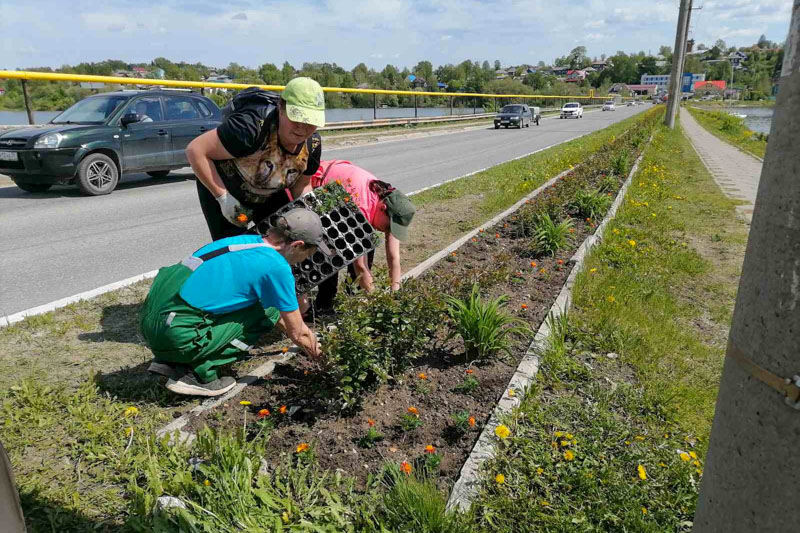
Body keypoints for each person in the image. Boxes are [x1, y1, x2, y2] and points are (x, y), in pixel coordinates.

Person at [139, 208, 331, 397]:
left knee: (262, 308)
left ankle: (171, 358)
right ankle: (196, 373)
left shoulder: (245, 241)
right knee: (269, 313)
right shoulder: (277, 266)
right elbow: (298, 332)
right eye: (309, 253)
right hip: (176, 333)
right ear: (296, 245)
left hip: (154, 323)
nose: (305, 259)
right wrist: (327, 361)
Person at [186, 77, 324, 241]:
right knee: (234, 249)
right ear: (281, 108)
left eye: (310, 121)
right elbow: (195, 150)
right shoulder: (249, 128)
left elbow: (302, 185)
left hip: (268, 191)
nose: (302, 128)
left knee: (286, 239)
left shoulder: (312, 145)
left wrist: (312, 210)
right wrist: (222, 197)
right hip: (227, 186)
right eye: (297, 117)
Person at [305, 160, 416, 312]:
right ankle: (324, 306)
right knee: (329, 252)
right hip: (315, 192)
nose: (386, 231)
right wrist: (379, 304)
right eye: (388, 227)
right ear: (383, 208)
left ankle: (354, 294)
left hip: (340, 200)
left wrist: (394, 293)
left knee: (367, 241)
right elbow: (360, 266)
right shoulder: (361, 207)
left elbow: (394, 257)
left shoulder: (387, 201)